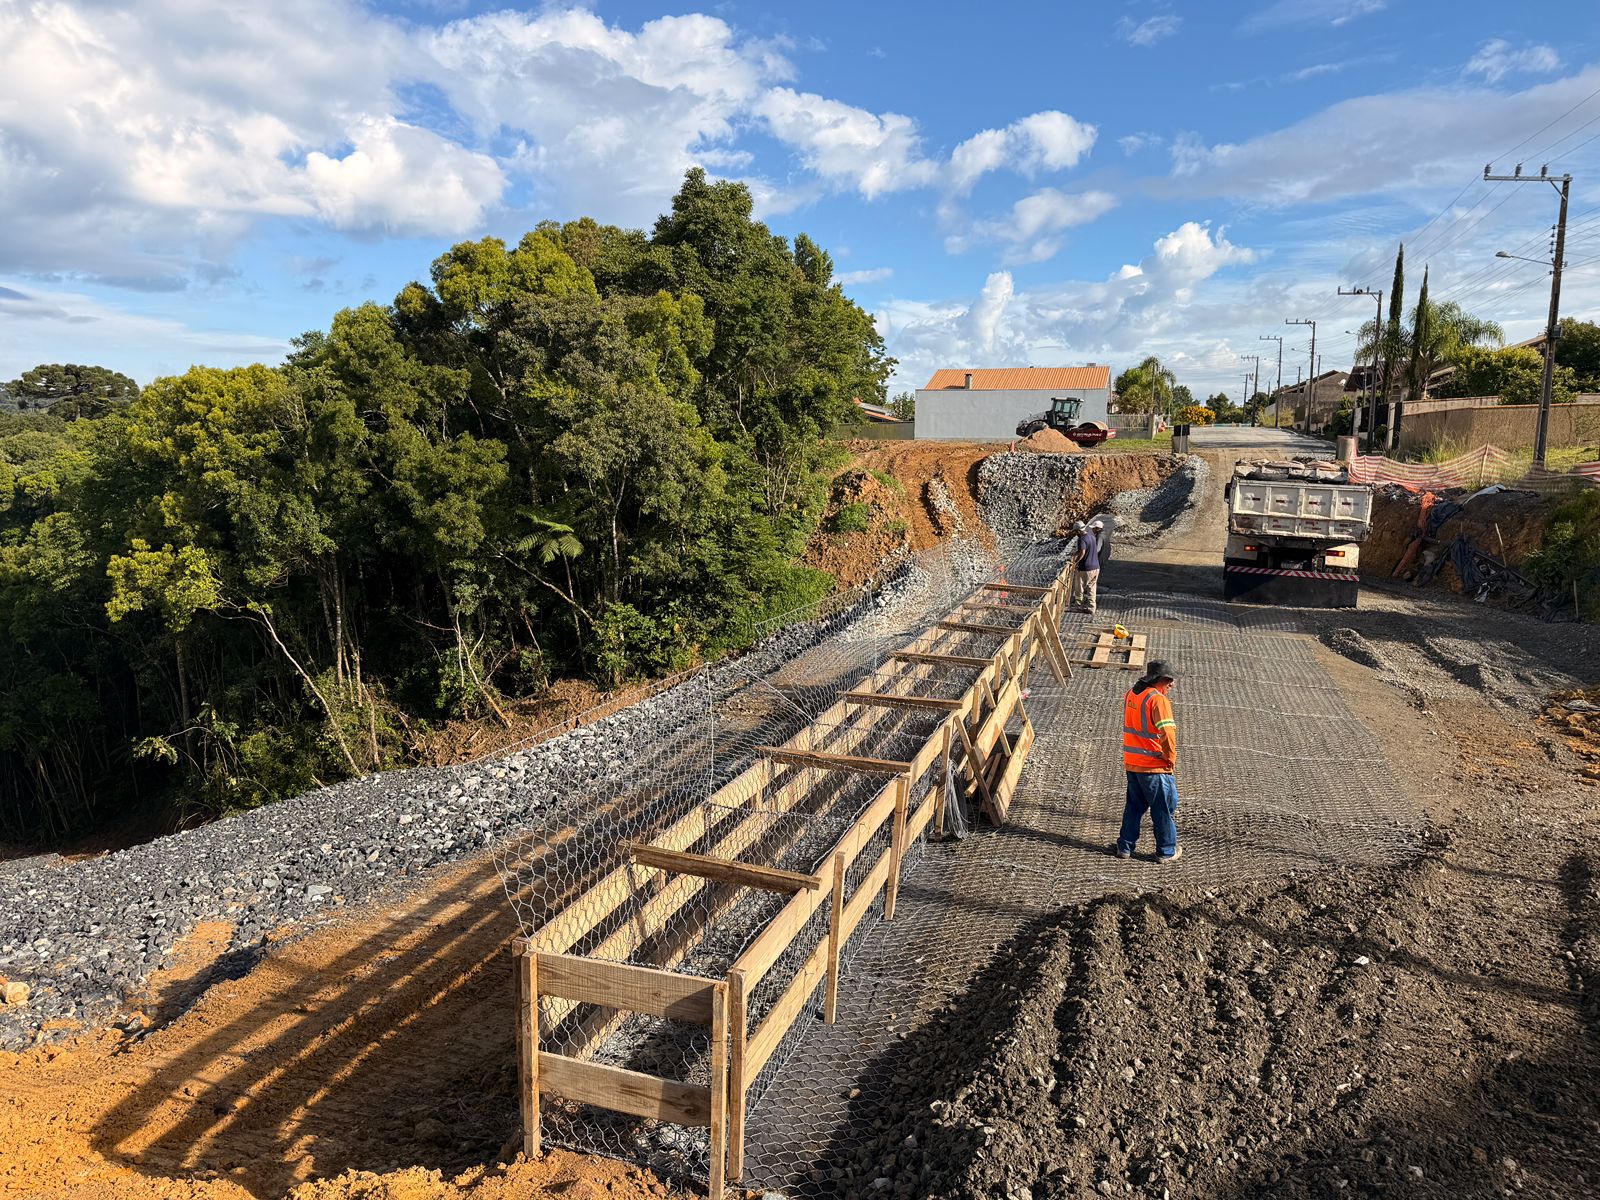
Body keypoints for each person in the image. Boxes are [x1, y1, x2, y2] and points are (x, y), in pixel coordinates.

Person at [1116, 660, 1181, 863]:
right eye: (1169, 680)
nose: (1172, 684)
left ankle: (1125, 846)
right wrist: (1170, 759)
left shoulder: (1132, 694)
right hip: (1154, 766)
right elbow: (1167, 733)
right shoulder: (1158, 701)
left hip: (1133, 763)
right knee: (1164, 807)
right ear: (1159, 680)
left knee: (1134, 807)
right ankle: (1167, 851)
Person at [1072, 519, 1101, 613]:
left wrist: (1075, 562)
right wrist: (1075, 553)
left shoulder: (1082, 539)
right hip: (1096, 567)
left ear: (1079, 531)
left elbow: (1082, 552)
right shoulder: (1091, 536)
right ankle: (1092, 607)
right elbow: (1087, 549)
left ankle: (1078, 605)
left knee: (1079, 587)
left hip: (1085, 568)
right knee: (1092, 588)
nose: (1075, 533)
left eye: (1075, 531)